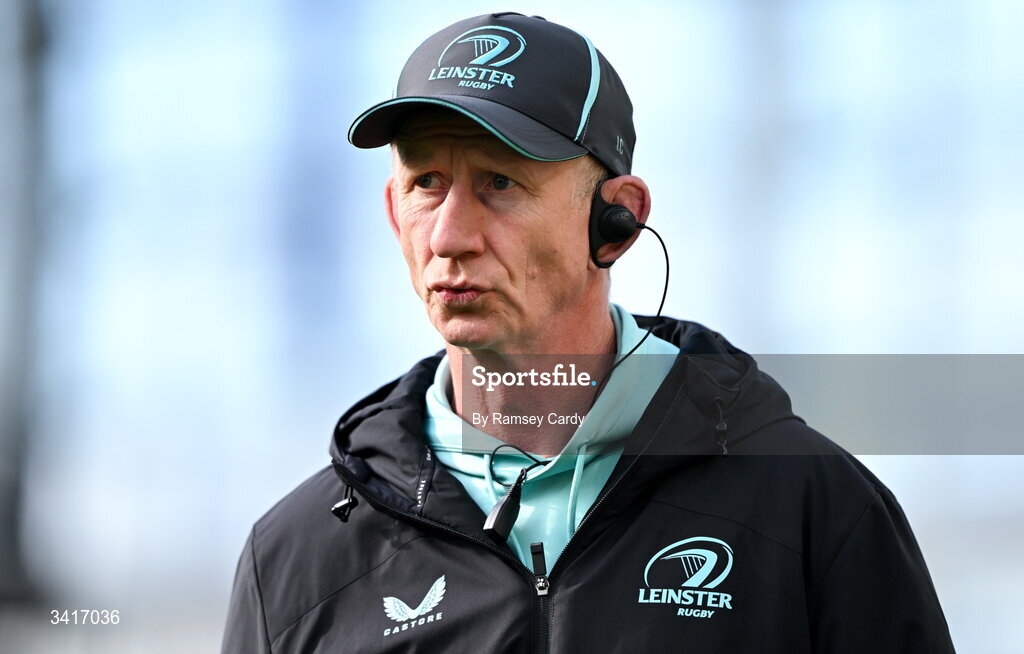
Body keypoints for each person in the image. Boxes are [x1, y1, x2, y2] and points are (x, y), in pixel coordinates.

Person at [222, 12, 955, 653]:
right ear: (393, 212)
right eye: (426, 185)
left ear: (616, 222)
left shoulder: (810, 507)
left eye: (499, 184)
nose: (448, 235)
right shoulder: (297, 559)